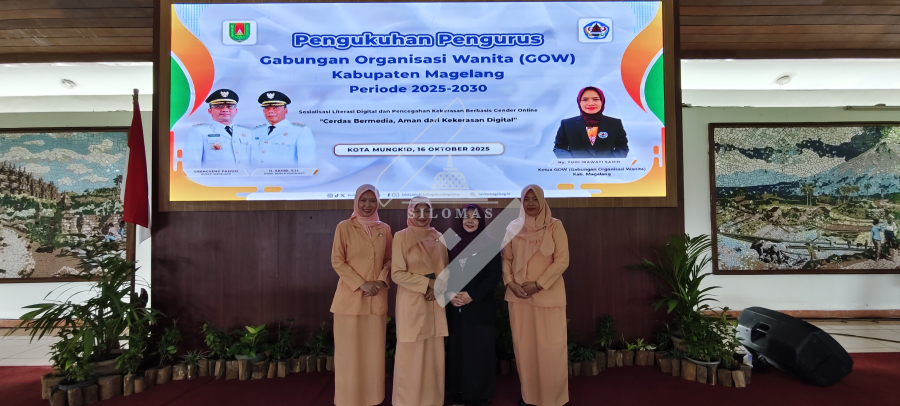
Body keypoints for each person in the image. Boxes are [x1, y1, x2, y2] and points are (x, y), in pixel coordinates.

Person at [502, 185, 569, 406]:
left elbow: (562, 260)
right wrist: (510, 283)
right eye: (526, 199)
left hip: (548, 296)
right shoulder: (513, 227)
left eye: (535, 199)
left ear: (542, 201)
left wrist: (539, 285)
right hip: (519, 297)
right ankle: (529, 397)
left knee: (551, 349)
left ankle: (554, 399)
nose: (530, 203)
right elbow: (507, 259)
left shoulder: (554, 225)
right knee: (525, 349)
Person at [330, 184, 392, 406]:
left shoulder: (385, 229)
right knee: (348, 355)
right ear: (356, 202)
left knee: (372, 355)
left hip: (376, 299)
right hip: (349, 301)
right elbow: (337, 261)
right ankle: (348, 400)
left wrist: (381, 281)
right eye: (363, 200)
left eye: (372, 200)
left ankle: (373, 399)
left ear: (378, 203)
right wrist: (361, 284)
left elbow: (390, 259)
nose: (368, 205)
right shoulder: (344, 227)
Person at [391, 196, 448, 406]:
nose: (422, 216)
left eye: (427, 210)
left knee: (433, 355)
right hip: (412, 302)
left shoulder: (440, 237)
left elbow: (447, 269)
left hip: (435, 302)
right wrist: (428, 284)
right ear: (410, 212)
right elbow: (397, 274)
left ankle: (432, 401)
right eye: (417, 210)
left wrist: (438, 288)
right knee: (410, 355)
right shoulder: (401, 237)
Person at [445, 204, 502, 406]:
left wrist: (472, 295)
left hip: (479, 307)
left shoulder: (491, 243)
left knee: (479, 352)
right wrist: (449, 294)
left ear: (481, 220)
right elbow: (444, 271)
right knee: (458, 352)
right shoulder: (451, 242)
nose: (470, 220)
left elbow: (493, 276)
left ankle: (480, 395)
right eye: (466, 216)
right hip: (456, 307)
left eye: (475, 217)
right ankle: (460, 392)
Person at [184, 89, 252, 168]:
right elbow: (192, 165)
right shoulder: (199, 131)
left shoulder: (247, 132)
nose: (225, 110)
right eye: (219, 106)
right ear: (210, 111)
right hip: (215, 176)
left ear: (236, 110)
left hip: (244, 176)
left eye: (229, 106)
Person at [553, 86, 628, 158]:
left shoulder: (615, 124)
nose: (591, 103)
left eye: (595, 99)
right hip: (576, 167)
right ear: (579, 102)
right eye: (585, 100)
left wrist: (609, 163)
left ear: (602, 101)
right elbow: (559, 147)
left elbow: (622, 147)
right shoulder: (567, 124)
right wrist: (572, 163)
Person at [250, 91, 316, 168]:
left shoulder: (300, 131)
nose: (270, 111)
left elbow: (306, 165)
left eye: (276, 108)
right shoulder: (255, 131)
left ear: (285, 110)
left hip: (285, 175)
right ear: (263, 111)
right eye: (266, 108)